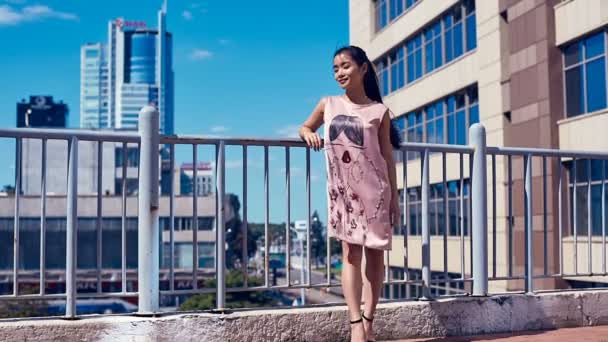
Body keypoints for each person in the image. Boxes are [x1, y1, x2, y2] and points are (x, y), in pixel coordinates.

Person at [298, 45, 401, 342]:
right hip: (344, 195)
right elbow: (305, 126)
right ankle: (355, 323)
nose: (340, 73)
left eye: (345, 66)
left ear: (363, 68)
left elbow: (387, 158)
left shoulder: (379, 112)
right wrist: (308, 134)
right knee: (350, 254)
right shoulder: (327, 103)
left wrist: (394, 198)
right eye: (335, 68)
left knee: (376, 256)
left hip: (376, 193)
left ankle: (369, 319)